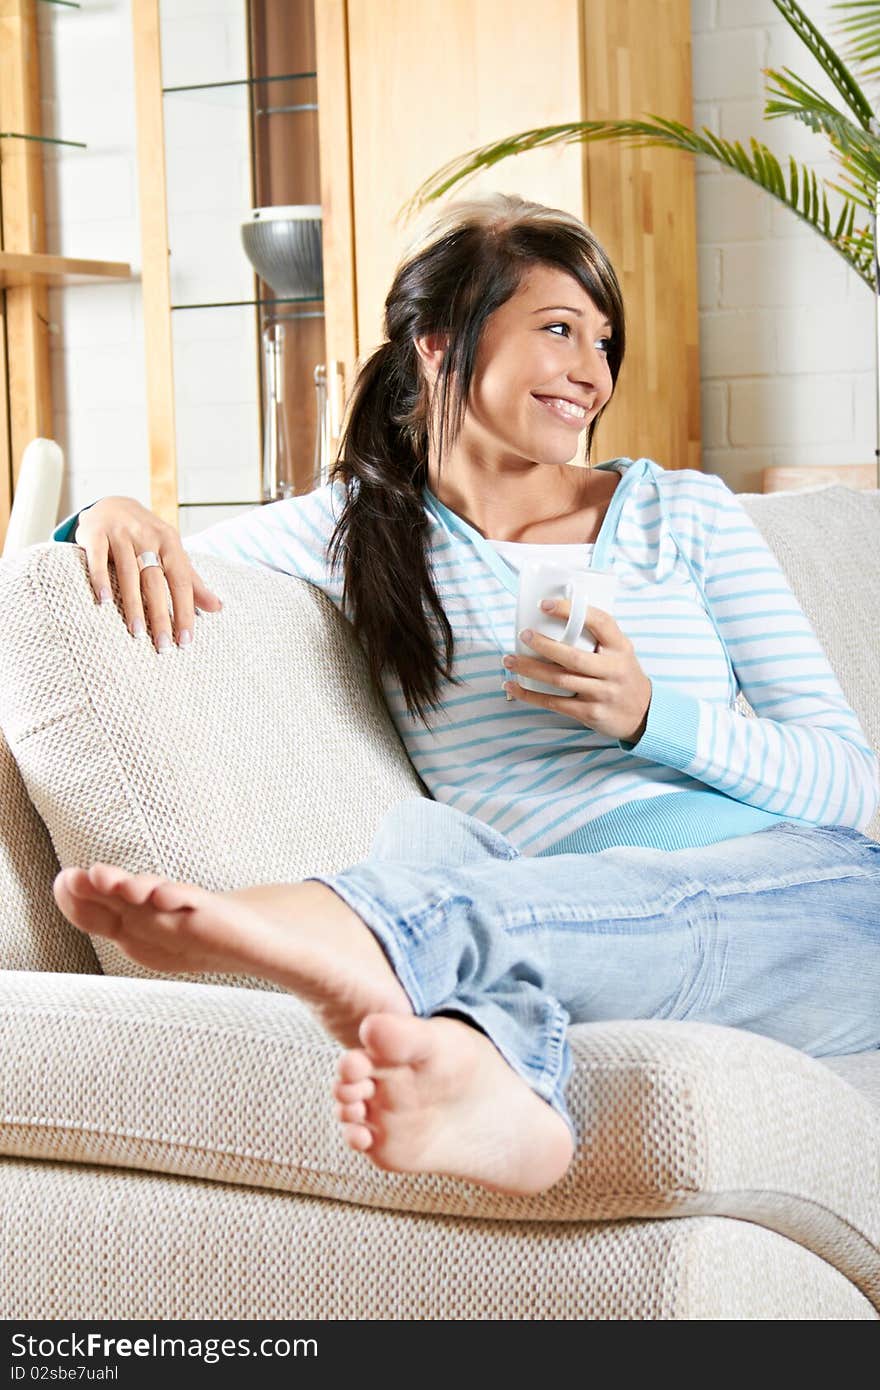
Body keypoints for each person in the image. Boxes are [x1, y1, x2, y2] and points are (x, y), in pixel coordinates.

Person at [51, 191, 880, 1198]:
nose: (591, 372)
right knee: (429, 841)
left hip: (810, 898)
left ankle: (354, 929)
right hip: (559, 899)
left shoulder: (682, 515)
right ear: (441, 345)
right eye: (558, 329)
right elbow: (154, 557)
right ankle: (504, 1090)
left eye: (603, 342)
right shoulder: (361, 530)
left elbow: (845, 782)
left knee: (527, 886)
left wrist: (652, 716)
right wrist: (104, 508)